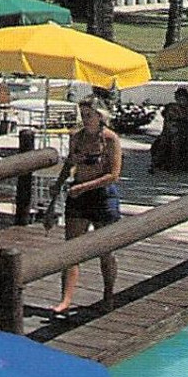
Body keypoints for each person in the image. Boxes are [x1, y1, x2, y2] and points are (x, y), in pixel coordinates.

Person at [44, 97, 123, 315]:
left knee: (105, 250)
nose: (85, 119)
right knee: (72, 250)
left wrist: (84, 187)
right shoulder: (77, 138)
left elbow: (113, 175)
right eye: (83, 115)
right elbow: (70, 163)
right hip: (78, 195)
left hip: (102, 196)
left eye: (89, 115)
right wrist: (59, 183)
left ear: (100, 116)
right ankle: (65, 299)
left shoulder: (110, 140)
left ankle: (108, 294)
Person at [151, 87, 188, 172]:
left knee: (176, 142)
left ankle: (175, 165)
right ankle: (157, 163)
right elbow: (167, 118)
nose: (180, 101)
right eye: (178, 98)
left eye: (182, 98)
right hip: (170, 133)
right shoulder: (171, 107)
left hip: (186, 134)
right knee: (163, 142)